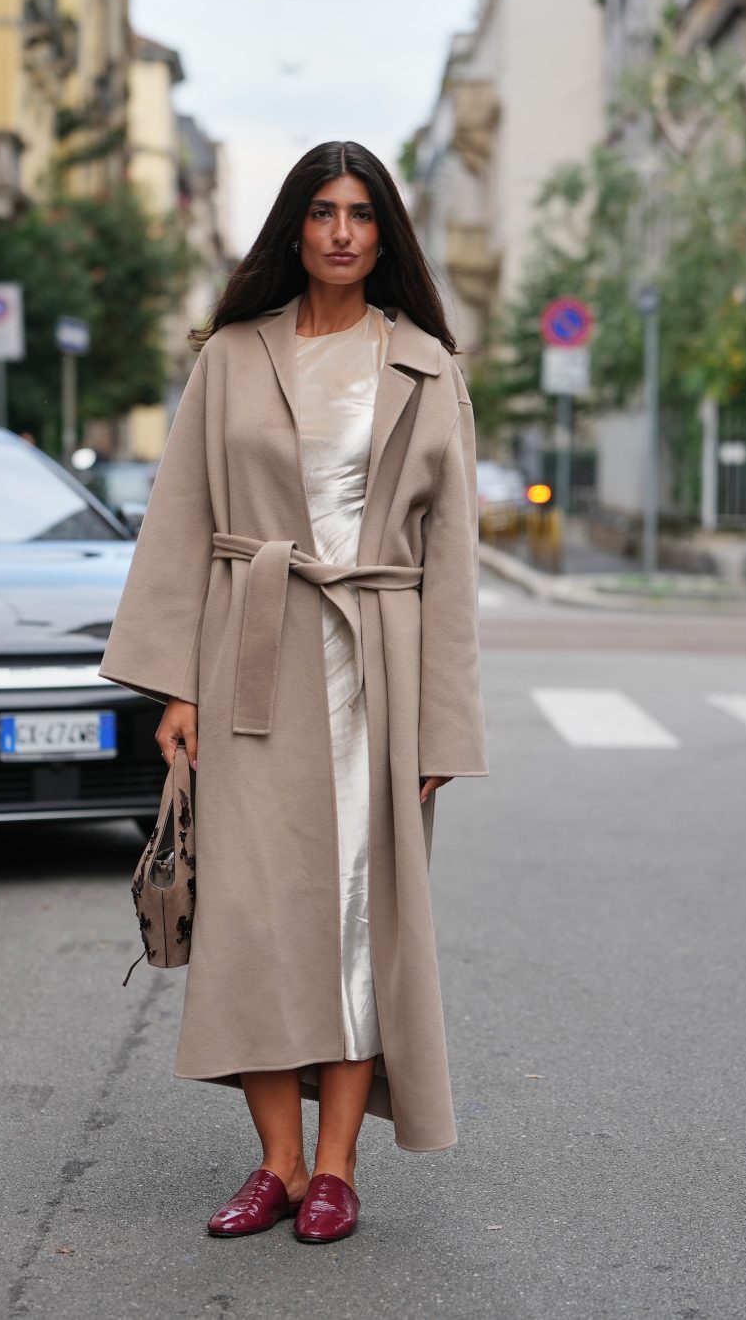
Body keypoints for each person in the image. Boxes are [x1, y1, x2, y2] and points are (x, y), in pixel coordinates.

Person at [98, 141, 487, 1245]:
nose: (340, 232)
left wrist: (444, 720)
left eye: (361, 213)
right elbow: (177, 516)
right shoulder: (230, 356)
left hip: (377, 666)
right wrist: (171, 681)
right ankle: (271, 1161)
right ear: (292, 228)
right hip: (248, 658)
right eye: (320, 211)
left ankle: (334, 1167)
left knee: (360, 919)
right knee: (254, 918)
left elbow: (449, 559)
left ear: (384, 233)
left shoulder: (421, 364)